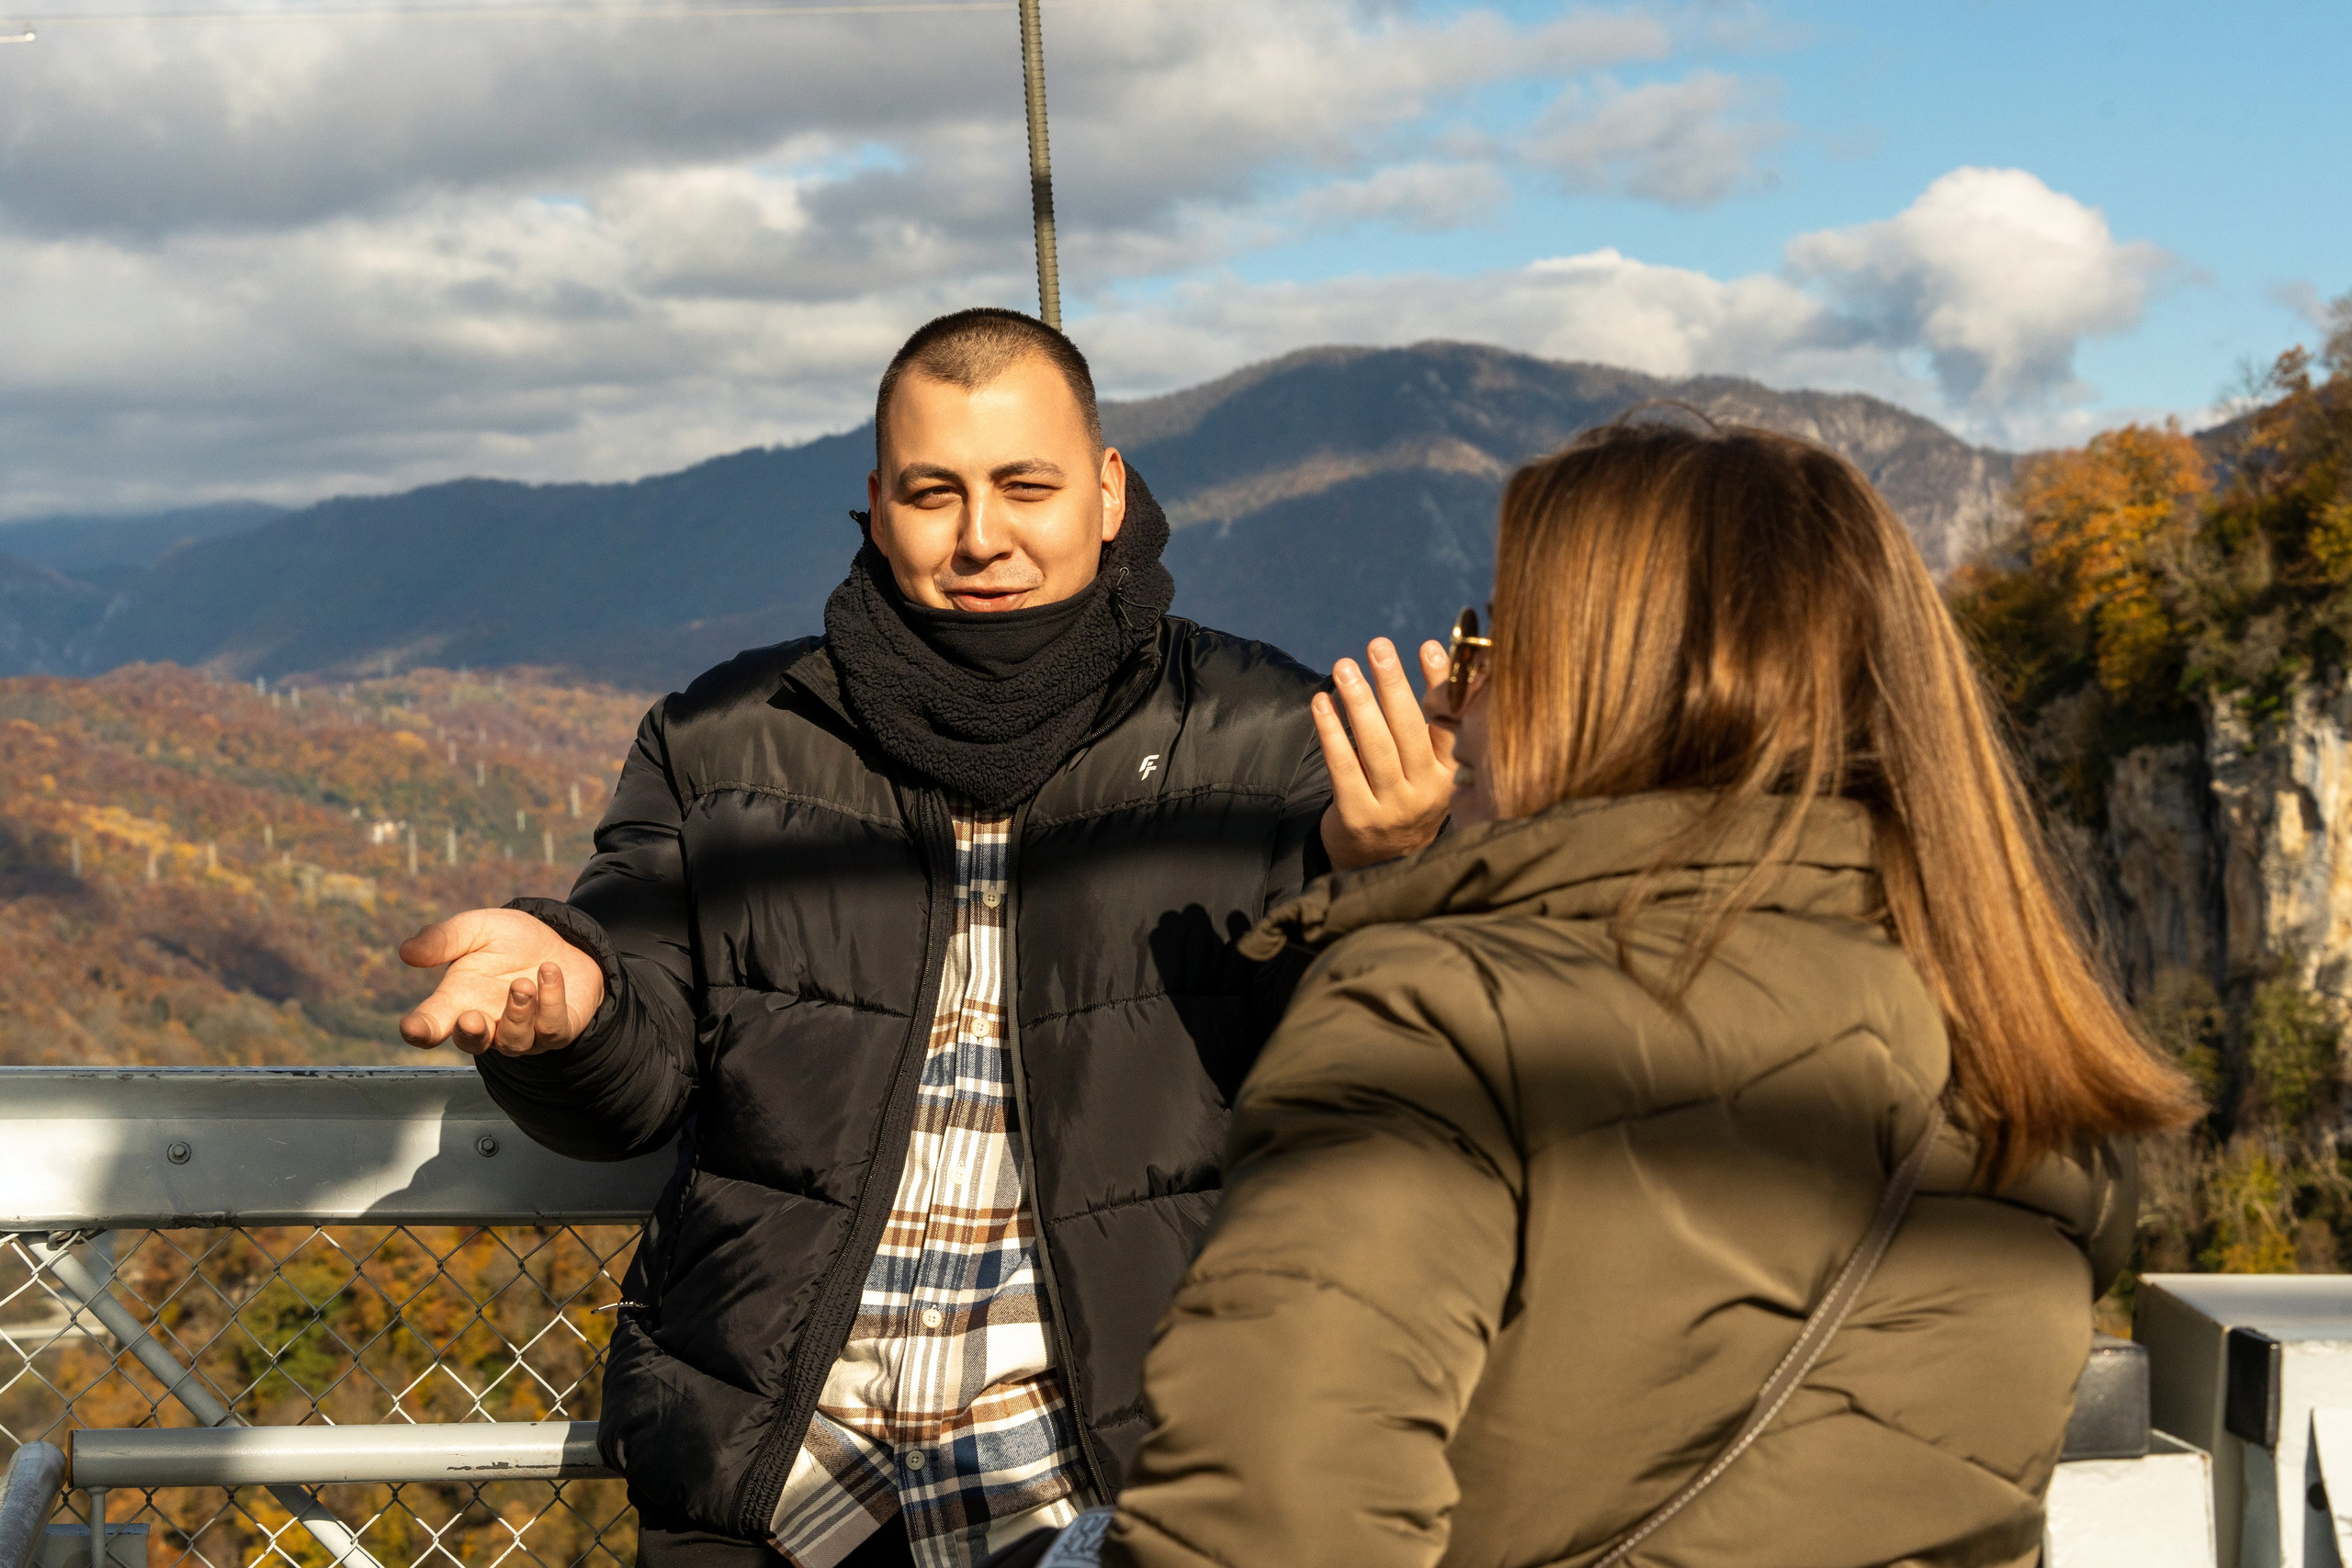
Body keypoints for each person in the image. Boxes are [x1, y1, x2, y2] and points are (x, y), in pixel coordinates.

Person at [1020, 420, 2201, 1568]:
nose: (1454, 694)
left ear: (1613, 693)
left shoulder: (1437, 1023)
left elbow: (1262, 1532)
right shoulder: (2028, 1062)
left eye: (1485, 646)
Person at [390, 309, 1456, 1567]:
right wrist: (567, 1009)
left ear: (1108, 491)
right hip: (777, 1480)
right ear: (876, 502)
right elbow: (630, 1076)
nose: (981, 536)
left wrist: (1391, 875)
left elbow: (1379, 1091)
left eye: (1026, 485)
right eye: (933, 490)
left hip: (1109, 1475)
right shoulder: (726, 739)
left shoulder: (1272, 740)